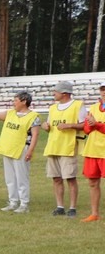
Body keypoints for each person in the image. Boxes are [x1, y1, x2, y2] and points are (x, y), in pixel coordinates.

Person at [0, 91, 41, 214]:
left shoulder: (33, 117)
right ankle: (13, 202)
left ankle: (24, 203)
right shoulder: (10, 113)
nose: (14, 103)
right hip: (8, 148)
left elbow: (35, 135)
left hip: (21, 150)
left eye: (16, 100)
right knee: (10, 178)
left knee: (22, 178)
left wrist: (30, 151)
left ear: (24, 101)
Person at [42, 81, 86, 216]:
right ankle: (60, 206)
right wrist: (45, 126)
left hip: (68, 147)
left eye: (55, 91)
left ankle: (72, 208)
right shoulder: (53, 108)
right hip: (53, 146)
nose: (53, 94)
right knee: (56, 178)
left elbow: (84, 124)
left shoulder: (78, 105)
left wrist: (69, 126)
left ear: (64, 93)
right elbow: (49, 124)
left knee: (70, 178)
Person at [81, 83, 105, 222]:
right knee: (92, 182)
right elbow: (86, 129)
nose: (104, 93)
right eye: (102, 91)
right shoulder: (94, 108)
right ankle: (94, 213)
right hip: (92, 150)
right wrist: (90, 124)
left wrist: (96, 124)